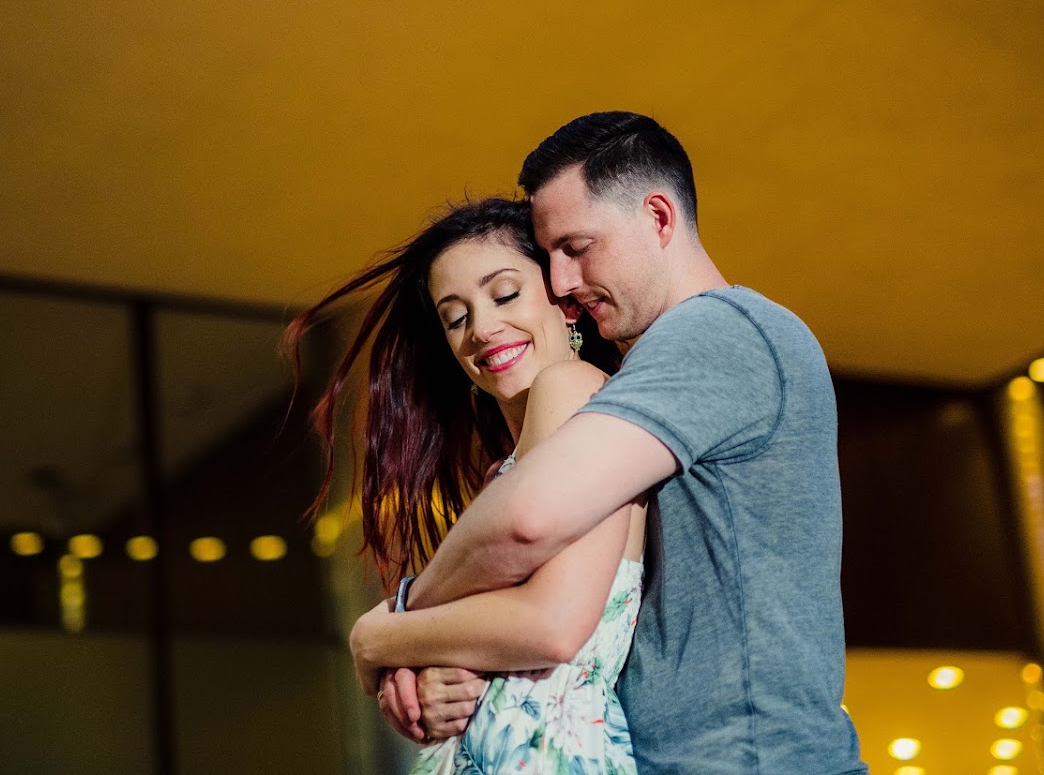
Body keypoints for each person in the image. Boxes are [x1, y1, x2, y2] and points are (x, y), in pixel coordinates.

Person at [381, 112, 867, 775]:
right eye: (550, 255)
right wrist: (434, 662)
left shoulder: (717, 332)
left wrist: (392, 627)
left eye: (576, 247)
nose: (562, 281)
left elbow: (530, 530)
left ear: (659, 218)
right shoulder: (646, 381)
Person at [285, 196, 649, 773]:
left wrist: (377, 638)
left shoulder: (573, 387)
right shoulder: (500, 473)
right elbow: (488, 632)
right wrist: (425, 674)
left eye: (505, 294)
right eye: (456, 318)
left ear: (566, 303)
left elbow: (550, 625)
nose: (482, 328)